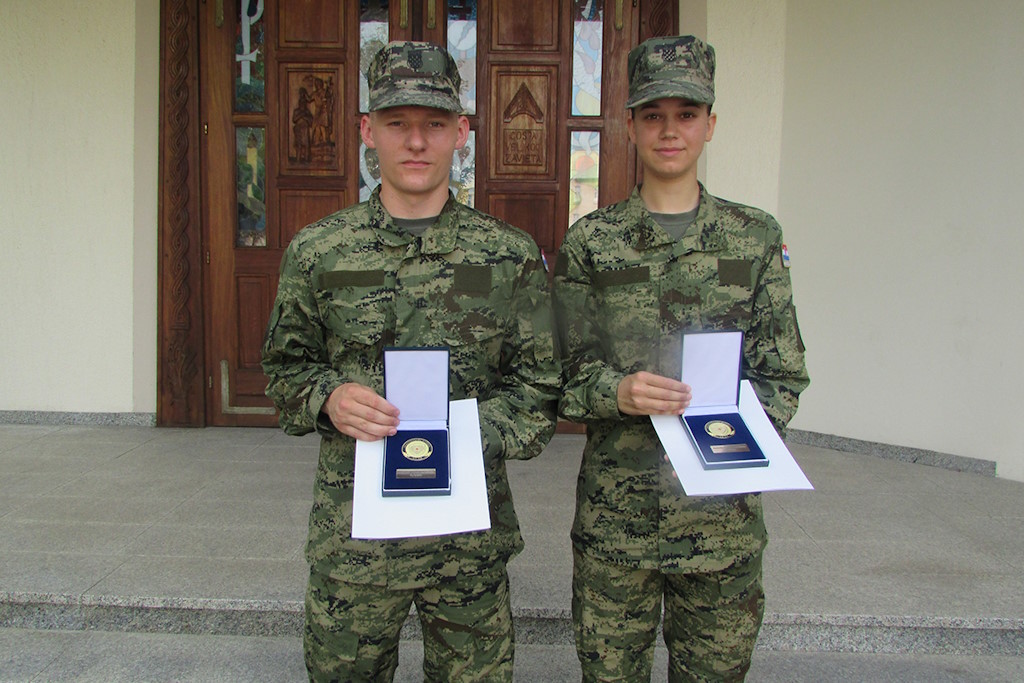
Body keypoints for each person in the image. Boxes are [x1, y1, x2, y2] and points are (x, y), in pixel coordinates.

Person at [262, 41, 559, 683]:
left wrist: (469, 432)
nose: (416, 141)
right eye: (398, 123)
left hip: (467, 546)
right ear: (368, 131)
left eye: (435, 123)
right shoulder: (320, 252)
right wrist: (328, 399)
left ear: (462, 133)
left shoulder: (506, 256)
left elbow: (540, 389)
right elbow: (285, 373)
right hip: (356, 545)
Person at [553, 35, 809, 682]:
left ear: (711, 124)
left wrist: (738, 430)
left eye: (687, 114)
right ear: (631, 125)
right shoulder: (593, 245)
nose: (671, 130)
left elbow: (782, 373)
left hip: (720, 525)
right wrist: (619, 393)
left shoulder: (754, 239)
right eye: (654, 114)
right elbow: (559, 375)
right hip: (619, 527)